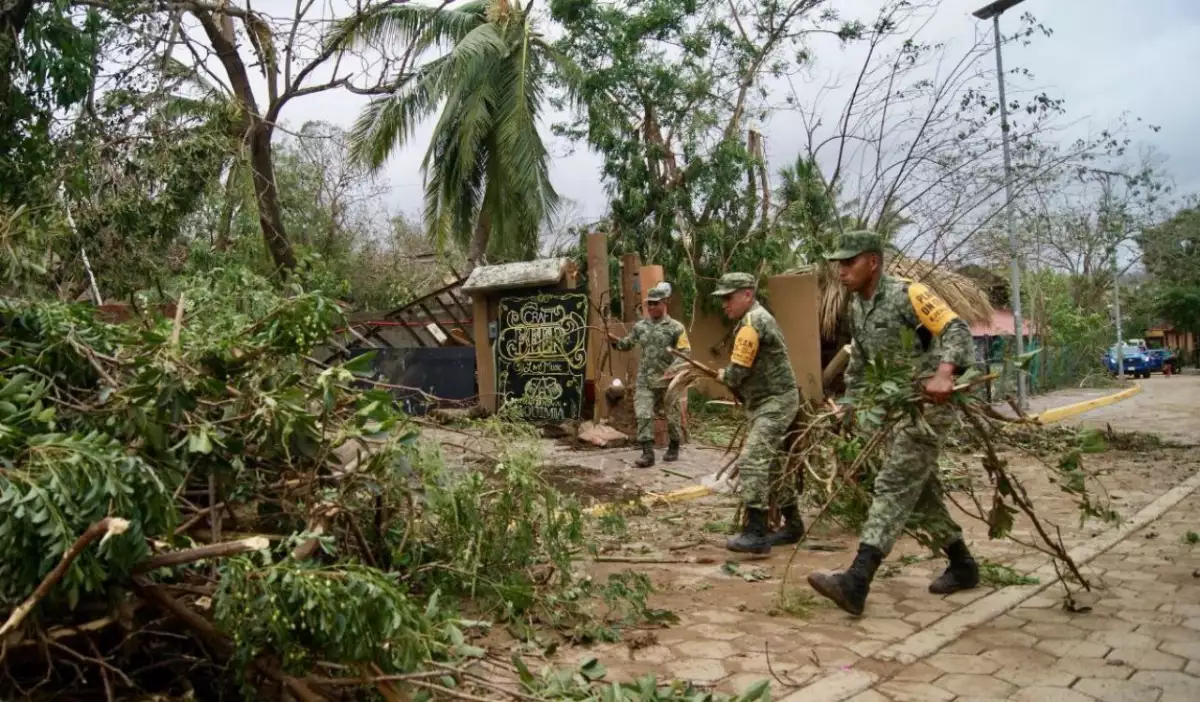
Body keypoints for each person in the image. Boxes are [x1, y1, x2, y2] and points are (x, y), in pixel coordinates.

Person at [807, 231, 979, 616]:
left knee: (895, 482)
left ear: (873, 262)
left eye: (849, 262)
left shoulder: (910, 294)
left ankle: (857, 580)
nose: (841, 270)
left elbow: (955, 329)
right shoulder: (855, 308)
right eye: (839, 263)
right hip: (893, 406)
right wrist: (851, 407)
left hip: (929, 406)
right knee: (920, 491)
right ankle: (963, 563)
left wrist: (945, 372)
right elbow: (862, 365)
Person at [711, 272, 804, 554]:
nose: (724, 304)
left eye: (729, 297)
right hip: (770, 401)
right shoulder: (752, 320)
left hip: (775, 402)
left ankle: (756, 533)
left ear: (747, 295)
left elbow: (737, 373)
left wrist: (723, 375)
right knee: (774, 464)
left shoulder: (753, 322)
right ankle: (794, 524)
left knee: (753, 460)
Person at [611, 282, 690, 467]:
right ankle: (647, 453)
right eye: (649, 304)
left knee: (672, 418)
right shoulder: (641, 326)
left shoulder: (676, 327)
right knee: (643, 415)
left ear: (664, 303)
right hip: (645, 380)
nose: (652, 307)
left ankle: (674, 445)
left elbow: (685, 352)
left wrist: (674, 370)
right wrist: (616, 343)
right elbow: (628, 343)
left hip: (668, 382)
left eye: (656, 303)